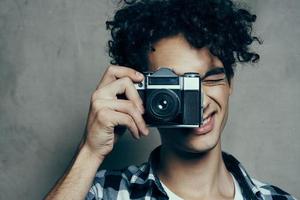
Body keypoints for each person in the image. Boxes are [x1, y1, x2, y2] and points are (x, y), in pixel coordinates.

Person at [45, 0, 297, 199]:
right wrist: (89, 152)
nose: (200, 102)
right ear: (141, 92)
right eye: (177, 85)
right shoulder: (105, 193)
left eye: (210, 79)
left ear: (230, 83)